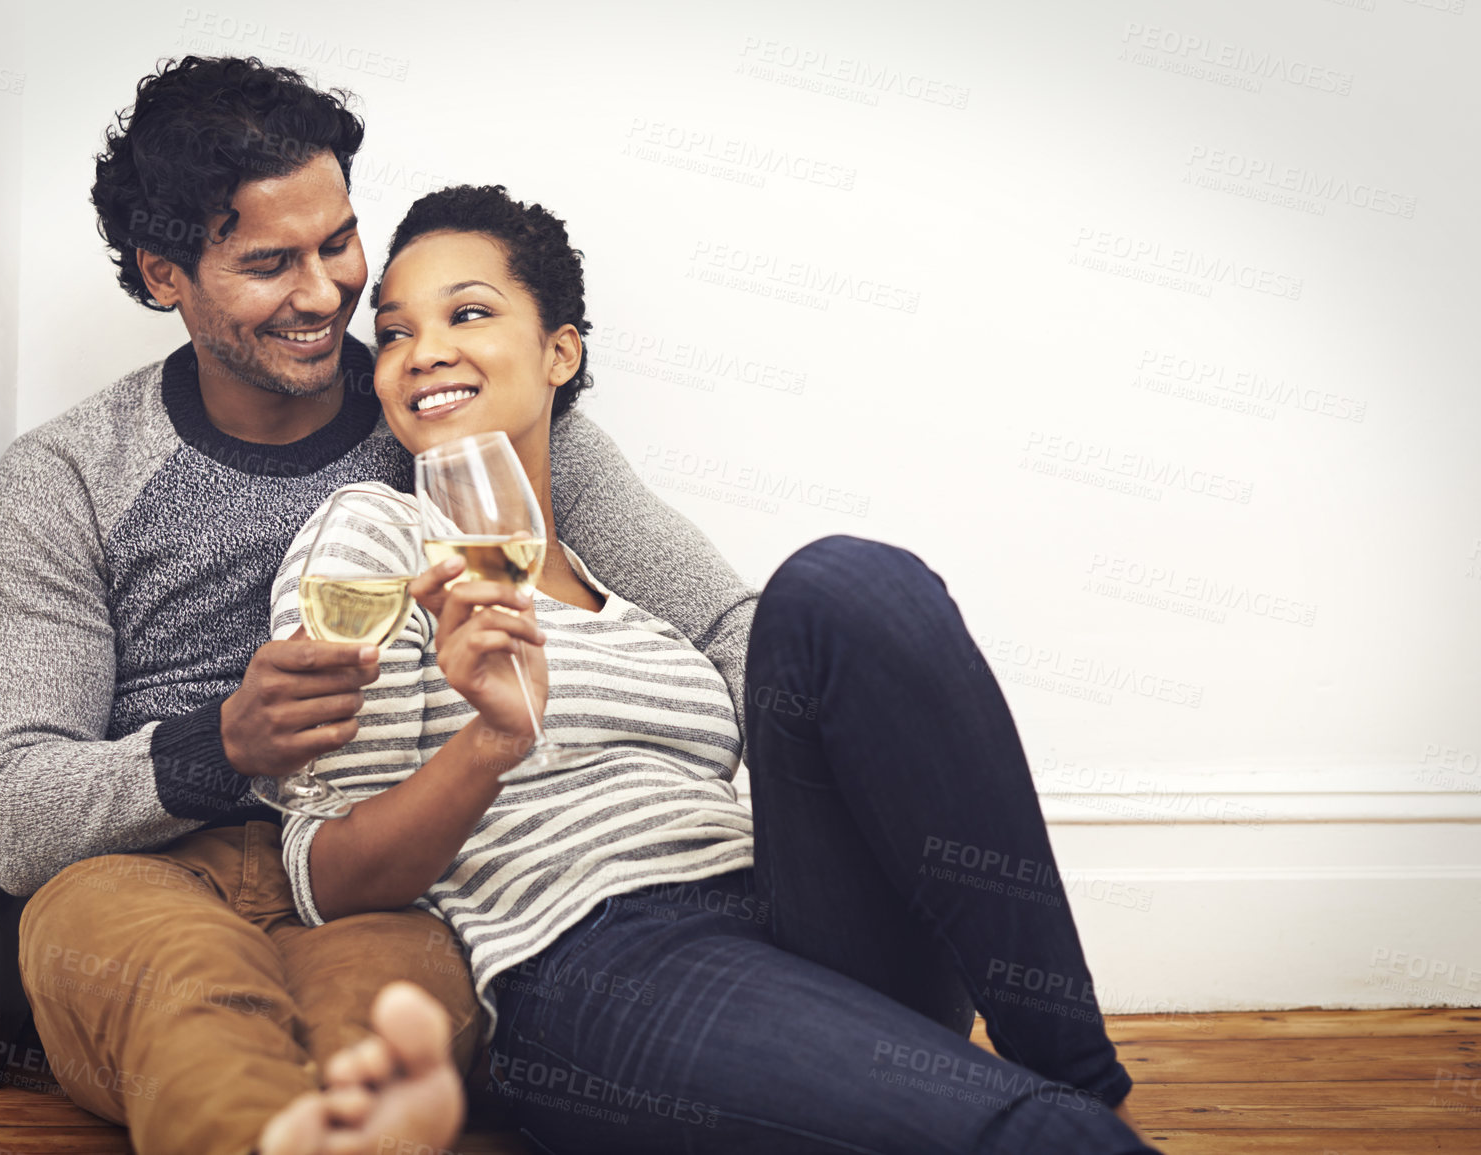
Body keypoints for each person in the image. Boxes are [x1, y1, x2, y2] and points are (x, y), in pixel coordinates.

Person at [0, 57, 759, 1155]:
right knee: (199, 1019)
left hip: (382, 877)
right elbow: (17, 810)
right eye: (267, 263)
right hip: (139, 873)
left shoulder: (452, 409)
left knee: (381, 1056)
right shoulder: (67, 477)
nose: (326, 293)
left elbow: (733, 632)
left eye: (337, 241)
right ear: (164, 274)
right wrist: (220, 744)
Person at [272, 184, 1161, 1153]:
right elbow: (327, 877)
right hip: (601, 959)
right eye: (394, 334)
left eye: (469, 313)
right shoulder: (374, 534)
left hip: (790, 912)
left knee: (844, 585)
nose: (423, 351)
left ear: (559, 352)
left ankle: (1077, 1069)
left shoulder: (635, 590)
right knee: (1035, 1138)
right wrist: (493, 739)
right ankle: (1068, 1116)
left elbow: (803, 687)